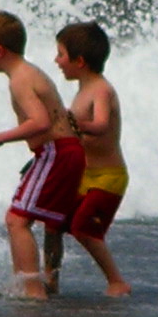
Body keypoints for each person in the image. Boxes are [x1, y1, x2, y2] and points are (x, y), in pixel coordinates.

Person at [0, 10, 83, 299]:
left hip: (55, 152)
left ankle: (32, 289)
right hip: (65, 152)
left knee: (16, 220)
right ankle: (48, 281)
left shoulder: (20, 79)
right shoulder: (30, 72)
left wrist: (0, 138)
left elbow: (41, 122)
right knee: (49, 222)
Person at [51, 20, 132, 297]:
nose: (57, 61)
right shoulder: (82, 90)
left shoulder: (102, 90)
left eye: (61, 55)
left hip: (109, 177)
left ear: (80, 61)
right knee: (53, 223)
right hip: (85, 175)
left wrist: (71, 122)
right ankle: (50, 281)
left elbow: (100, 125)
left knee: (84, 229)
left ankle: (117, 281)